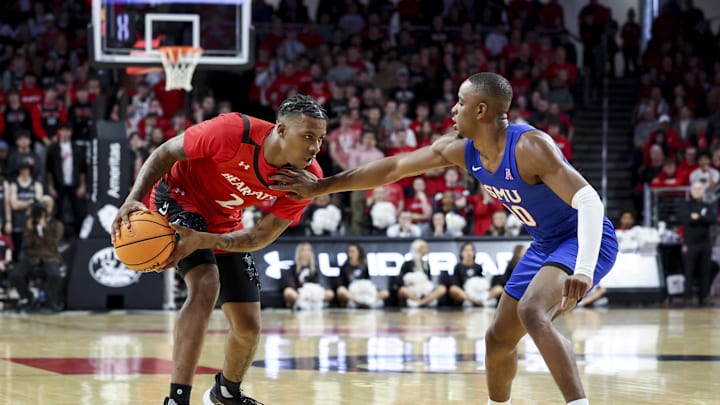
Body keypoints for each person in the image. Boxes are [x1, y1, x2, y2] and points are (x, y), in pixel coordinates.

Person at [270, 72, 619, 405]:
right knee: (497, 339)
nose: (453, 109)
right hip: (546, 243)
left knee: (531, 310)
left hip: (585, 236)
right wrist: (320, 187)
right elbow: (393, 168)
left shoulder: (530, 146)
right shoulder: (461, 150)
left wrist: (584, 269)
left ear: (481, 110)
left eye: (460, 101)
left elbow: (588, 200)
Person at [111, 94, 328, 405]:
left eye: (320, 139)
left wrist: (208, 240)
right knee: (206, 282)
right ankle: (177, 398)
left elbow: (258, 237)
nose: (315, 148)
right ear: (281, 131)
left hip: (225, 220)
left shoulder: (308, 179)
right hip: (179, 195)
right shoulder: (231, 131)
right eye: (308, 137)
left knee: (249, 325)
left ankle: (226, 391)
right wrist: (133, 197)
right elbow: (164, 153)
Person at [8, 197, 64, 312]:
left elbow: (52, 243)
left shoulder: (56, 224)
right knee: (15, 275)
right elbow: (28, 244)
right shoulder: (30, 223)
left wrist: (44, 228)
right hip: (32, 256)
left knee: (55, 275)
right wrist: (30, 228)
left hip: (49, 256)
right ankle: (27, 298)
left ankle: (50, 300)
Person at [680, 181, 716, 307]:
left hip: (705, 243)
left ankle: (703, 296)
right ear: (691, 191)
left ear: (704, 191)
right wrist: (702, 218)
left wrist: (698, 217)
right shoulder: (685, 205)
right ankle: (688, 297)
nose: (697, 191)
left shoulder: (708, 205)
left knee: (705, 270)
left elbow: (712, 219)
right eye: (695, 188)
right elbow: (685, 219)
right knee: (688, 270)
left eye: (700, 188)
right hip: (690, 243)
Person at [281, 242, 335, 310]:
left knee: (330, 293)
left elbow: (318, 284)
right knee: (288, 292)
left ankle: (310, 304)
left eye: (308, 250)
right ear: (299, 253)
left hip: (313, 293)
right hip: (299, 293)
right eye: (303, 250)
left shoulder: (315, 269)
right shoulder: (293, 268)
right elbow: (291, 285)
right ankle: (303, 303)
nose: (306, 253)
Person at [395, 238, 447, 308]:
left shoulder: (426, 264)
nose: (426, 250)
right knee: (402, 290)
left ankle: (422, 302)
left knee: (442, 288)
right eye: (423, 248)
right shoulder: (407, 264)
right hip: (412, 290)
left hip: (425, 290)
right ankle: (417, 301)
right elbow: (400, 281)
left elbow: (429, 280)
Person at [335, 242, 389, 308]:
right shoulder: (344, 267)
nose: (350, 254)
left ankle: (368, 302)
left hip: (364, 292)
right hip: (351, 294)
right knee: (341, 290)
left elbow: (369, 283)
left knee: (385, 293)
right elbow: (340, 285)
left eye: (353, 252)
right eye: (349, 252)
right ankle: (358, 302)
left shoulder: (364, 266)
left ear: (359, 252)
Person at [444, 242, 489, 307]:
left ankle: (480, 300)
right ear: (462, 253)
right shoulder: (458, 267)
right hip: (464, 293)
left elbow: (483, 281)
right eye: (466, 250)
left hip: (478, 292)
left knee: (498, 289)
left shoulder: (479, 267)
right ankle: (474, 302)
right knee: (453, 289)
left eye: (471, 250)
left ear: (474, 252)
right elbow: (456, 284)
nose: (468, 253)